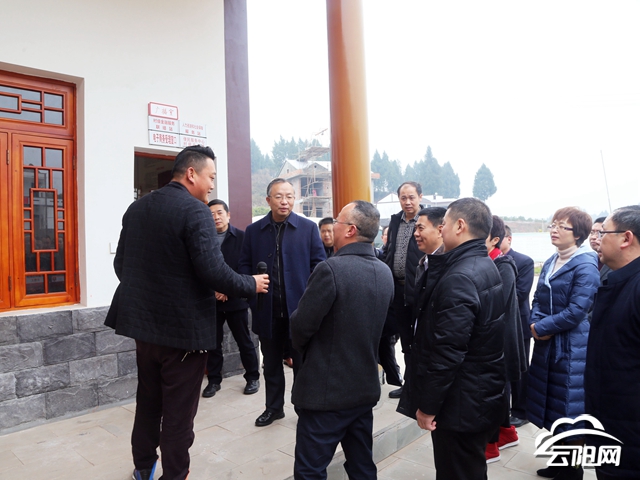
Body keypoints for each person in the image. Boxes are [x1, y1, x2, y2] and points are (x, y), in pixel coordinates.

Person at [104, 145, 269, 480]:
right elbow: (214, 272)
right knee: (178, 414)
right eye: (210, 177)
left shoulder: (137, 208)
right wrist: (251, 283)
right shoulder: (195, 211)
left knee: (148, 401)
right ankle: (175, 474)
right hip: (183, 334)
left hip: (144, 329)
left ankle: (143, 467)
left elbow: (121, 265)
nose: (212, 185)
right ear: (191, 173)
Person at [399, 197, 506, 480]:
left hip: (461, 401)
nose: (441, 229)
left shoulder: (460, 276)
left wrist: (428, 406)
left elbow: (448, 351)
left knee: (456, 471)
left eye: (443, 224)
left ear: (460, 226)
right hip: (477, 393)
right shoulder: (483, 264)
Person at [291, 201, 394, 479]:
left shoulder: (331, 269)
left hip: (327, 392)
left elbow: (301, 327)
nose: (332, 227)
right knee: (361, 465)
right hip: (364, 388)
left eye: (336, 222)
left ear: (350, 230)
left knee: (310, 470)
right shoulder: (384, 272)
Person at [239, 178, 326, 427]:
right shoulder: (254, 231)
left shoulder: (308, 228)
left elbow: (319, 266)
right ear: (268, 200)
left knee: (302, 364)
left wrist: (310, 298)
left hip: (299, 311)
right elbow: (244, 266)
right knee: (271, 364)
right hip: (266, 309)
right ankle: (274, 408)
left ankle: (304, 408)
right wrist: (252, 293)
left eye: (289, 196)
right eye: (278, 196)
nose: (284, 201)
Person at [527, 207, 599, 480]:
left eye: (562, 226)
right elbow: (538, 298)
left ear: (578, 234)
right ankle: (559, 463)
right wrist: (534, 323)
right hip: (548, 343)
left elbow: (577, 311)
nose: (554, 230)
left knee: (571, 409)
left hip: (572, 347)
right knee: (553, 405)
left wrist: (542, 328)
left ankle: (573, 472)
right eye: (553, 224)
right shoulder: (551, 260)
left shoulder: (586, 264)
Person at [585, 206, 640, 479]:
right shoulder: (619, 281)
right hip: (611, 425)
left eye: (603, 232)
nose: (596, 239)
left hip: (630, 437)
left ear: (626, 238)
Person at [202, 199, 260, 398]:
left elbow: (245, 267)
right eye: (211, 214)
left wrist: (229, 288)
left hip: (236, 299)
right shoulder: (204, 239)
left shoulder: (242, 238)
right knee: (213, 343)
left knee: (244, 341)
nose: (216, 217)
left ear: (228, 215)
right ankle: (214, 380)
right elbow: (200, 269)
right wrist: (214, 290)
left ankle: (252, 377)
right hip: (212, 301)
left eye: (219, 212)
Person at [484, 216, 527, 464]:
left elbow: (496, 305)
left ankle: (491, 445)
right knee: (498, 391)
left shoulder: (503, 265)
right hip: (495, 341)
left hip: (500, 342)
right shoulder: (490, 261)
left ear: (495, 240)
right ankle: (507, 433)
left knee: (495, 394)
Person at [382, 181, 424, 398]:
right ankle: (409, 385)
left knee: (421, 339)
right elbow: (389, 250)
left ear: (420, 197)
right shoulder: (395, 220)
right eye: (403, 198)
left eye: (411, 197)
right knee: (405, 339)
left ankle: (421, 385)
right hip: (397, 289)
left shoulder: (427, 220)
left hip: (420, 289)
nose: (407, 202)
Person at [500, 224, 535, 428]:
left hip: (518, 322)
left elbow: (521, 293)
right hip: (498, 324)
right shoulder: (490, 260)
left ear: (509, 239)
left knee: (520, 368)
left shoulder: (524, 261)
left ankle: (522, 411)